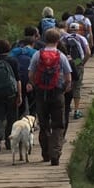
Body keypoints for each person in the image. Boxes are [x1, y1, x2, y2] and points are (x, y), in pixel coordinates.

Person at [28, 27, 73, 165]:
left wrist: (35, 85)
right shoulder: (61, 56)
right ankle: (55, 154)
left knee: (44, 124)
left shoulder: (37, 55)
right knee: (58, 125)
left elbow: (30, 74)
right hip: (57, 92)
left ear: (44, 40)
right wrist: (64, 89)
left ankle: (46, 154)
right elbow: (68, 78)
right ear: (58, 41)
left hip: (41, 93)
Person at [0, 38, 22, 153]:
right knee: (12, 117)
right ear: (9, 48)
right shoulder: (13, 61)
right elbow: (18, 80)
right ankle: (8, 141)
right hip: (11, 93)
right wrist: (19, 95)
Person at [9, 26, 43, 117]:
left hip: (17, 80)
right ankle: (32, 120)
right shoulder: (36, 52)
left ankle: (20, 118)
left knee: (21, 102)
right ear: (33, 43)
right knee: (33, 102)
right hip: (31, 80)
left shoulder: (15, 51)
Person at [61, 20, 90, 120]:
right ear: (78, 30)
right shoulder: (82, 38)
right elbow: (88, 53)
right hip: (77, 64)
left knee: (66, 85)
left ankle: (66, 108)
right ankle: (76, 111)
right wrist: (80, 63)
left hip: (65, 63)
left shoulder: (64, 38)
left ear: (69, 29)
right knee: (77, 87)